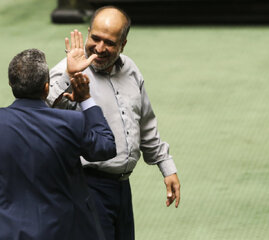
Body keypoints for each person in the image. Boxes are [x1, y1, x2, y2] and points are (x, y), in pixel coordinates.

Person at [46, 5, 181, 240]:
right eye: (95, 38)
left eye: (108, 42)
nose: (99, 48)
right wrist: (69, 76)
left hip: (121, 187)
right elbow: (42, 113)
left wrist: (165, 165)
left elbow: (145, 122)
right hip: (85, 187)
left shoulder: (130, 70)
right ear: (88, 32)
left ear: (123, 44)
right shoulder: (67, 70)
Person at [0, 48, 116, 240]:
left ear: (10, 84)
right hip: (60, 232)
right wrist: (86, 100)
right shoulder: (71, 122)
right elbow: (105, 146)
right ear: (46, 86)